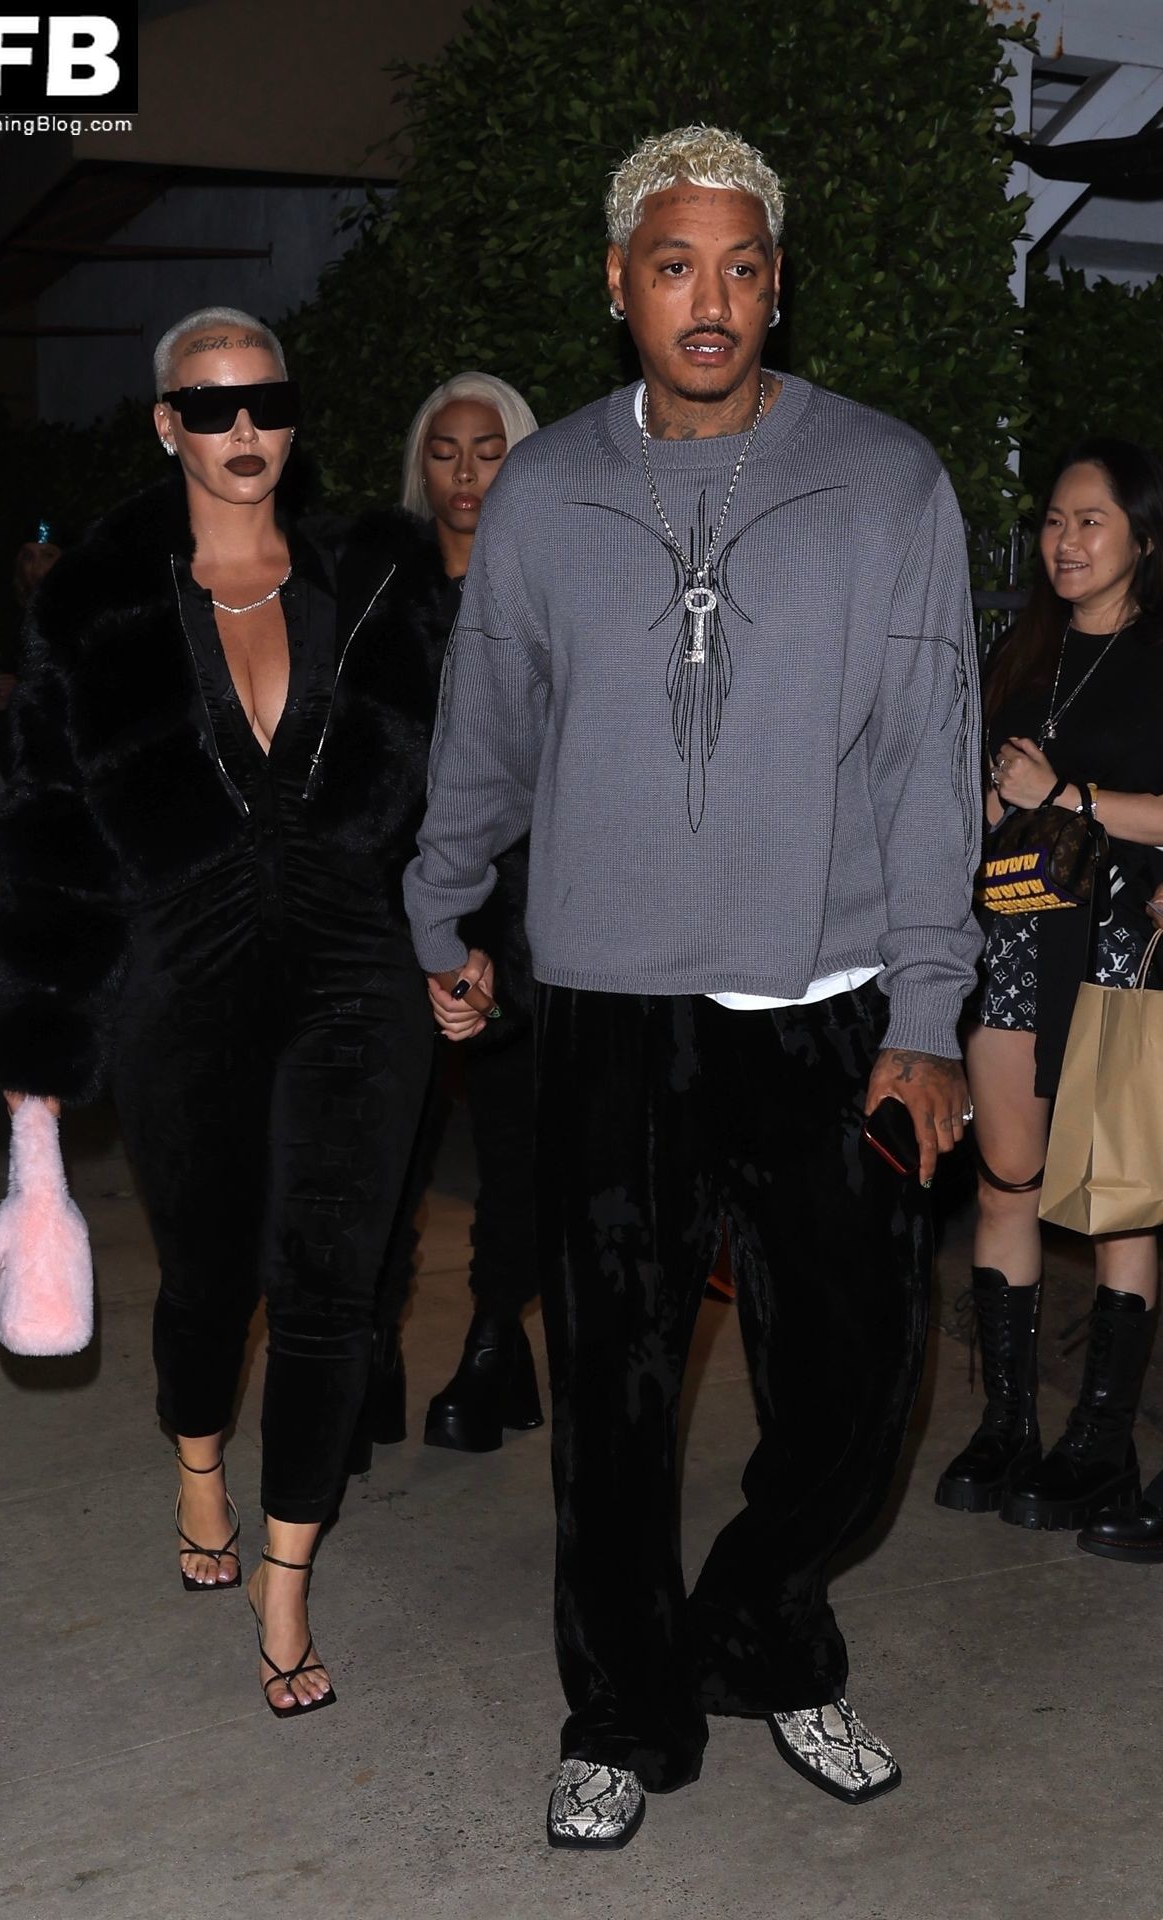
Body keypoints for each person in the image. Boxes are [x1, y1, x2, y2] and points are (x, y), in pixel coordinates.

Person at [404, 125, 982, 1846]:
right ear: (620, 284)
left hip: (833, 1007)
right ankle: (622, 1706)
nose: (708, 300)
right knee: (614, 1397)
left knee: (858, 1394)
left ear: (777, 282)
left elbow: (932, 767)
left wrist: (929, 1016)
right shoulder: (545, 492)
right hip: (611, 1006)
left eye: (740, 267)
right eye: (674, 266)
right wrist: (439, 908)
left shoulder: (889, 483)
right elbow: (487, 725)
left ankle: (760, 1626)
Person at [0, 305, 450, 1716]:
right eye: (212, 405)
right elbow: (45, 836)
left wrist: (459, 939)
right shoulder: (96, 610)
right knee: (209, 1278)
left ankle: (286, 1579)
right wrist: (39, 1057)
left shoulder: (376, 578)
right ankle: (197, 1461)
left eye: (268, 403)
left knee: (332, 1282)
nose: (245, 430)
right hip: (179, 984)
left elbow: (450, 791)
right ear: (167, 425)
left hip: (357, 973)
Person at [935, 439, 1163, 1539]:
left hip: (1121, 951)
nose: (1065, 542)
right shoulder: (1021, 654)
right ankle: (1008, 1425)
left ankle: (1100, 1442)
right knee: (1003, 1187)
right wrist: (989, 806)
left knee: (1117, 1200)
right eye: (1054, 523)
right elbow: (979, 794)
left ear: (1143, 538)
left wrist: (1065, 794)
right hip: (1015, 942)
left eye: (1091, 521)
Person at [354, 371, 545, 1466]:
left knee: (518, 1145)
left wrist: (498, 945)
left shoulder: (555, 587)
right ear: (418, 468)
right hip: (399, 909)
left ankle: (490, 1341)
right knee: (390, 1141)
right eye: (444, 451)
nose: (467, 472)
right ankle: (372, 1347)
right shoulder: (375, 602)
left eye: (489, 449)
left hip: (525, 908)